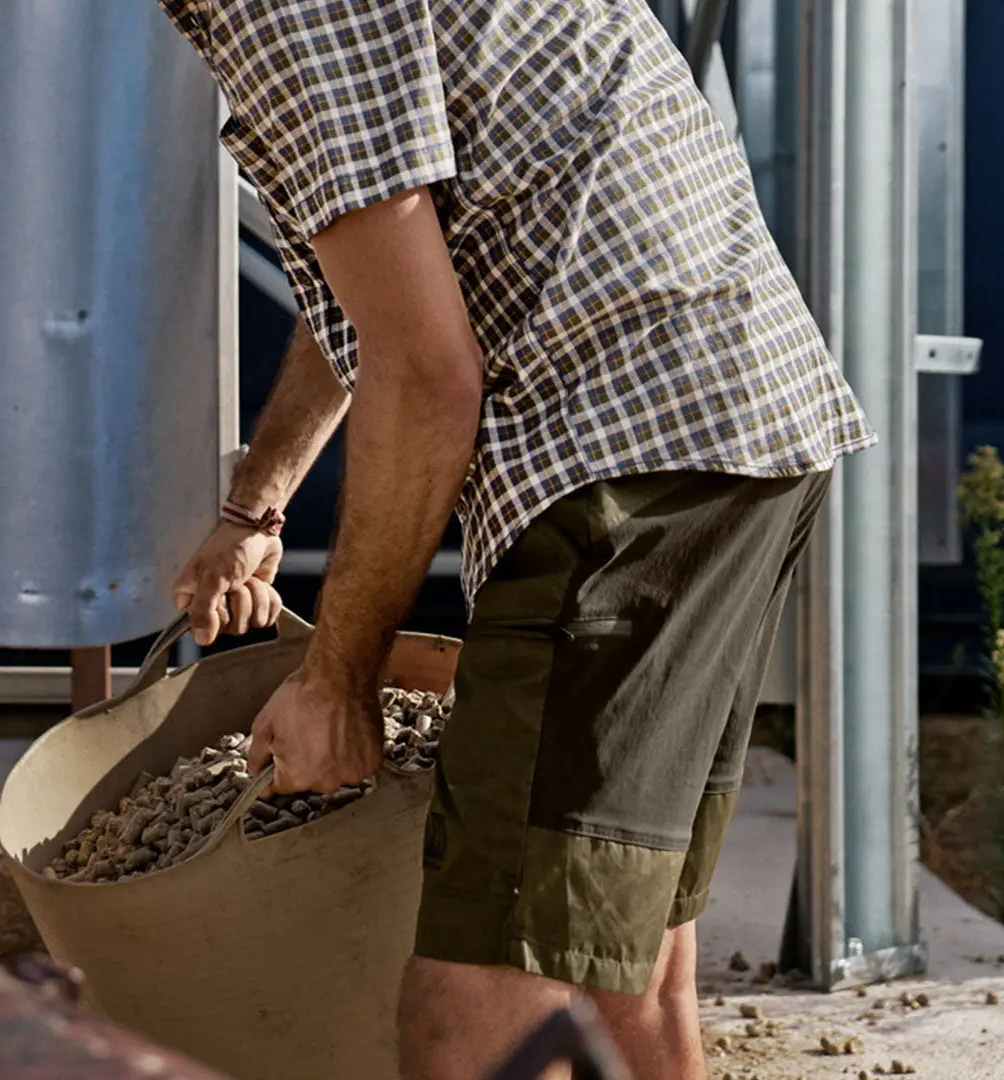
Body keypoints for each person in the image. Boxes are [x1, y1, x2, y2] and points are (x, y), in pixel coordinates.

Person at [160, 2, 875, 1077]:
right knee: (621, 957)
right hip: (739, 427)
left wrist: (336, 683)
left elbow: (426, 372)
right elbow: (386, 268)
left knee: (476, 998)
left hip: (628, 462)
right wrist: (257, 505)